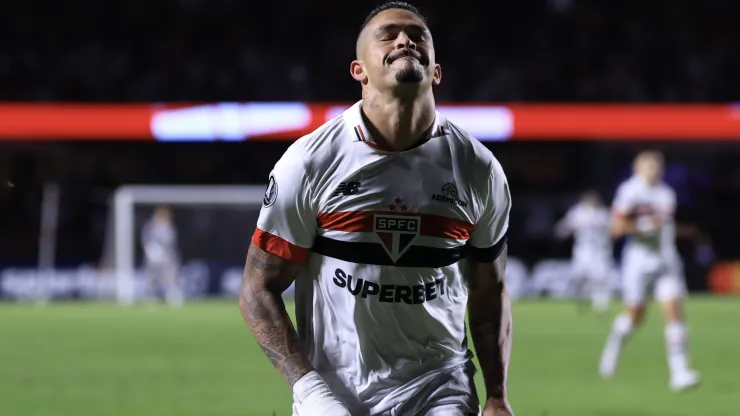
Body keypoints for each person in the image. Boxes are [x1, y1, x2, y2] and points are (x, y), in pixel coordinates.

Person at [238, 2, 514, 415]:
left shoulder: (478, 170)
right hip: (338, 394)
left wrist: (496, 396)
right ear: (358, 71)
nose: (405, 40)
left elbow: (490, 290)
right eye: (388, 34)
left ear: (436, 71)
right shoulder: (311, 162)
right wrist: (310, 392)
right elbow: (257, 290)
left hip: (442, 390)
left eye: (418, 36)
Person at [599, 151, 699, 391]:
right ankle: (612, 349)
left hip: (666, 261)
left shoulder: (666, 193)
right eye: (649, 165)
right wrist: (644, 225)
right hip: (638, 263)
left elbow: (666, 228)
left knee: (674, 312)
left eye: (658, 165)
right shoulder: (630, 192)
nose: (655, 169)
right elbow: (616, 228)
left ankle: (679, 372)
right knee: (636, 315)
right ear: (637, 168)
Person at [554, 190, 613, 312]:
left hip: (600, 251)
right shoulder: (578, 212)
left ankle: (601, 304)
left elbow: (612, 231)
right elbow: (563, 228)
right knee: (579, 275)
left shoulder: (603, 213)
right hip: (582, 249)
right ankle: (581, 298)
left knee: (600, 277)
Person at [140, 205, 183, 307]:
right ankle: (150, 299)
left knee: (171, 279)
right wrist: (150, 251)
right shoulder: (150, 227)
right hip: (153, 259)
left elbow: (171, 244)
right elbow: (146, 240)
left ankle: (173, 298)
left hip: (167, 259)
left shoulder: (169, 227)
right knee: (151, 280)